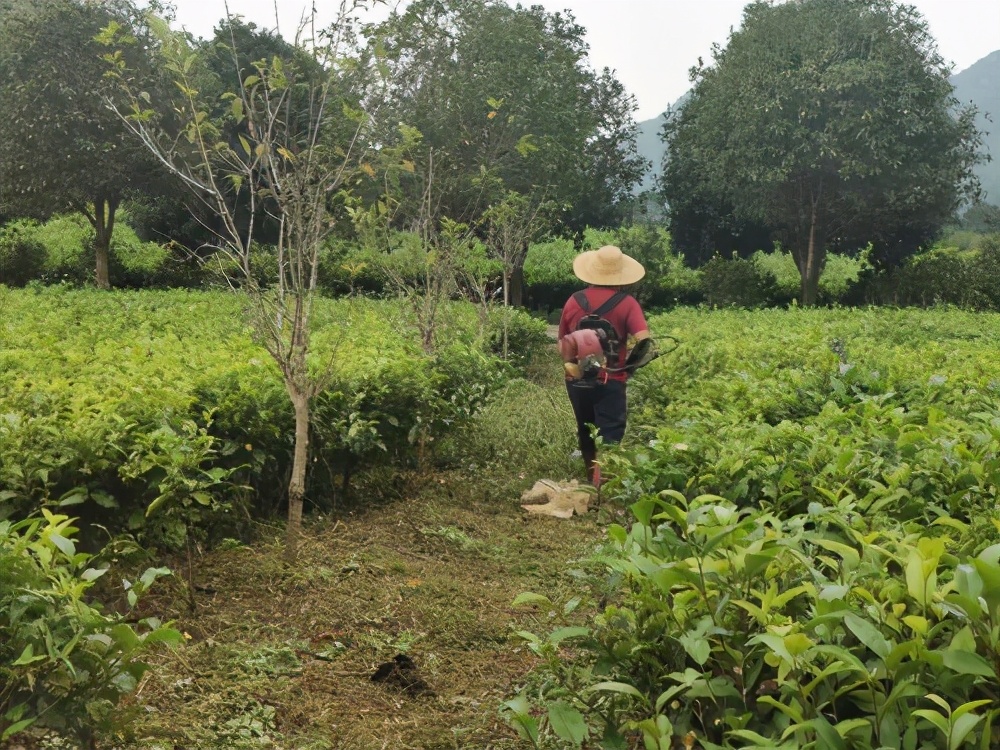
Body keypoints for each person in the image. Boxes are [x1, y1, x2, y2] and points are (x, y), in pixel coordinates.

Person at [558, 245, 650, 488]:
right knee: (610, 433)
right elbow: (644, 341)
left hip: (577, 380)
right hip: (612, 379)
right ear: (620, 276)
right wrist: (627, 369)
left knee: (585, 428)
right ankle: (603, 484)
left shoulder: (573, 301)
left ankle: (591, 479)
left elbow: (563, 342)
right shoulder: (627, 303)